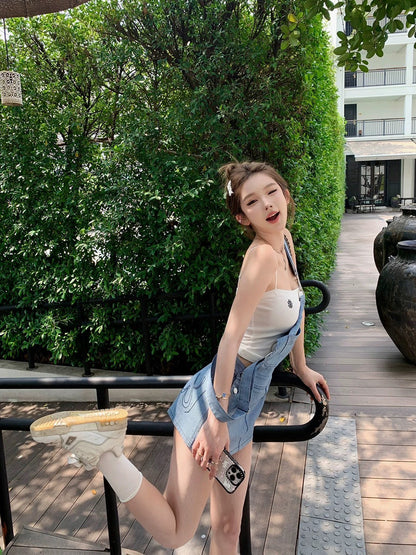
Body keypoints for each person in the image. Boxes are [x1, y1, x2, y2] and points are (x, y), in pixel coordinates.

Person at [30, 161, 330, 554]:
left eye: (272, 192)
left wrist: (300, 366)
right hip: (219, 402)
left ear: (285, 194)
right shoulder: (261, 259)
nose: (268, 204)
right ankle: (104, 452)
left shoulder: (285, 241)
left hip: (245, 408)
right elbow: (230, 340)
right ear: (243, 217)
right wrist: (216, 420)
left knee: (228, 527)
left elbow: (298, 305)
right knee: (176, 532)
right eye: (253, 201)